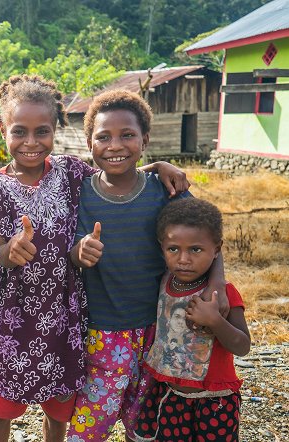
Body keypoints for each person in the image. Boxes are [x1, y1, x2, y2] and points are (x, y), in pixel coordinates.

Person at [0, 75, 189, 442]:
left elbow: (119, 169)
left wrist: (160, 167)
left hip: (66, 311)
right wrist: (10, 251)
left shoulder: (70, 170)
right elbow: (0, 252)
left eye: (42, 131)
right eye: (19, 131)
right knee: (4, 405)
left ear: (56, 130)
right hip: (17, 315)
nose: (31, 142)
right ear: (2, 131)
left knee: (60, 407)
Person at [66, 89, 227, 442]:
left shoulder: (163, 190)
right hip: (102, 332)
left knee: (145, 424)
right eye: (103, 136)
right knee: (89, 427)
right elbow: (70, 251)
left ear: (145, 140)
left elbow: (210, 238)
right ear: (89, 142)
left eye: (128, 135)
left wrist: (218, 285)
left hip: (161, 330)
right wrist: (79, 253)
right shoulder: (79, 193)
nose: (115, 145)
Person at [134, 197, 250, 441]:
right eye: (173, 249)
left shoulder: (222, 294)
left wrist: (215, 321)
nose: (184, 259)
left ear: (216, 249)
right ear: (162, 247)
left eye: (196, 249)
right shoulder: (165, 279)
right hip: (170, 394)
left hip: (214, 401)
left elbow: (243, 346)